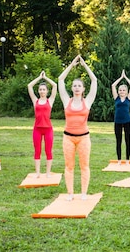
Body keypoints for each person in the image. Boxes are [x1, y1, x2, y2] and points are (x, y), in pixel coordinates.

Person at [58, 55, 98, 200]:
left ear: (83, 89)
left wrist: (85, 65)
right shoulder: (66, 101)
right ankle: (70, 193)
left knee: (84, 166)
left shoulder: (87, 102)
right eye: (74, 85)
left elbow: (94, 80)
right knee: (69, 166)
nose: (76, 88)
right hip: (68, 137)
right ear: (72, 88)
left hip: (83, 138)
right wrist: (72, 64)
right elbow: (60, 80)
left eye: (79, 86)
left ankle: (83, 193)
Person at [28, 71, 57, 178]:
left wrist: (46, 78)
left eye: (44, 89)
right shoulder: (35, 100)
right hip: (37, 129)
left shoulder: (50, 100)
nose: (42, 91)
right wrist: (39, 78)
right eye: (40, 89)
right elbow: (29, 86)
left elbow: (55, 85)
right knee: (37, 150)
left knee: (48, 150)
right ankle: (38, 173)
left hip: (48, 129)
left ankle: (48, 173)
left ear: (47, 91)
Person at [111, 70, 130, 165]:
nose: (122, 91)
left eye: (123, 90)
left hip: (127, 122)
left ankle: (127, 160)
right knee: (118, 141)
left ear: (126, 92)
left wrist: (126, 78)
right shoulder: (116, 98)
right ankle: (119, 160)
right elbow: (113, 85)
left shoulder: (128, 98)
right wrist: (121, 78)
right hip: (117, 122)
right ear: (118, 91)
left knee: (127, 141)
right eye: (120, 90)